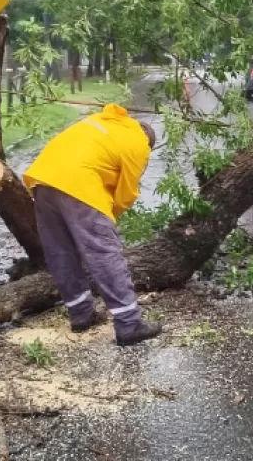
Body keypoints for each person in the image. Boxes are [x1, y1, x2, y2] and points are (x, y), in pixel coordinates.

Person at [23, 103, 162, 346]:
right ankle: (129, 323)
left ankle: (81, 314)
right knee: (104, 252)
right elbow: (126, 193)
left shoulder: (105, 123)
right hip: (78, 184)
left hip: (43, 180)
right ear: (148, 142)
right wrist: (107, 219)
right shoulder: (139, 143)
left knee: (60, 250)